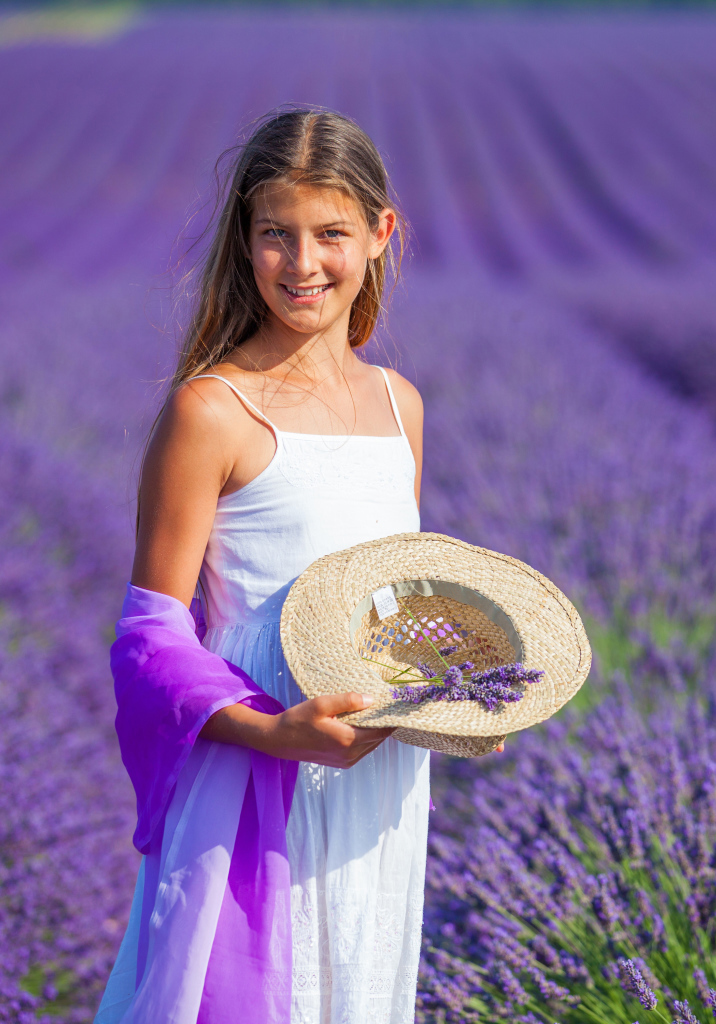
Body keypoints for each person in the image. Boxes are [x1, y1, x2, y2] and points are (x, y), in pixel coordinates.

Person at [95, 107, 493, 1024]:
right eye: (275, 234)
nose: (301, 263)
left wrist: (462, 698)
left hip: (378, 776)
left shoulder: (402, 407)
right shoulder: (215, 410)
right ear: (245, 238)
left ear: (382, 234)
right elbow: (148, 642)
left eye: (331, 235)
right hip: (257, 774)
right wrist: (275, 733)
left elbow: (397, 603)